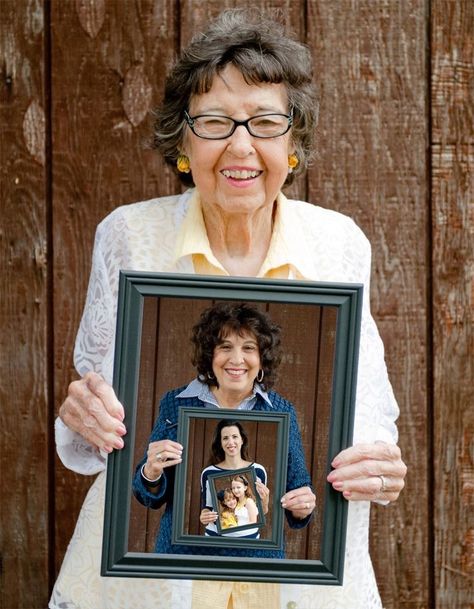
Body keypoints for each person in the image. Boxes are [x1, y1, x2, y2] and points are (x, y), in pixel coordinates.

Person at [50, 7, 407, 609]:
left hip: (297, 584)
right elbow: (98, 443)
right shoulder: (129, 238)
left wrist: (375, 468)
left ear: (293, 145)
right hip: (151, 584)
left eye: (266, 122)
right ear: (183, 142)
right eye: (214, 122)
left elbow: (366, 417)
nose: (241, 146)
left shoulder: (340, 245)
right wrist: (81, 420)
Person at [131, 302, 313, 558]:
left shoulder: (283, 412)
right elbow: (148, 497)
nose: (236, 359)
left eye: (249, 348)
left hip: (256, 566)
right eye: (225, 347)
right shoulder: (176, 404)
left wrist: (301, 505)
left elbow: (299, 491)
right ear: (210, 355)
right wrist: (150, 472)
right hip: (184, 560)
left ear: (262, 359)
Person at [199, 418, 269, 540]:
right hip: (215, 540)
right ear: (220, 443)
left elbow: (261, 512)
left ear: (242, 440)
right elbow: (207, 507)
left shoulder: (258, 471)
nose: (230, 442)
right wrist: (204, 516)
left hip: (249, 540)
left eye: (235, 436)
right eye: (225, 438)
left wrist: (266, 501)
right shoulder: (209, 472)